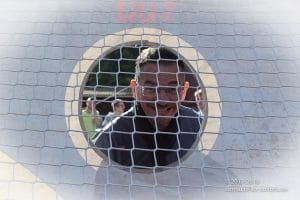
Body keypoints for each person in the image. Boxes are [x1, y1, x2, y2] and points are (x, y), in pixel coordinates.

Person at [92, 47, 202, 167]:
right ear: (135, 89)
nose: (162, 100)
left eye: (172, 89)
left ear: (183, 91)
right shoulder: (111, 139)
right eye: (150, 88)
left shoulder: (199, 127)